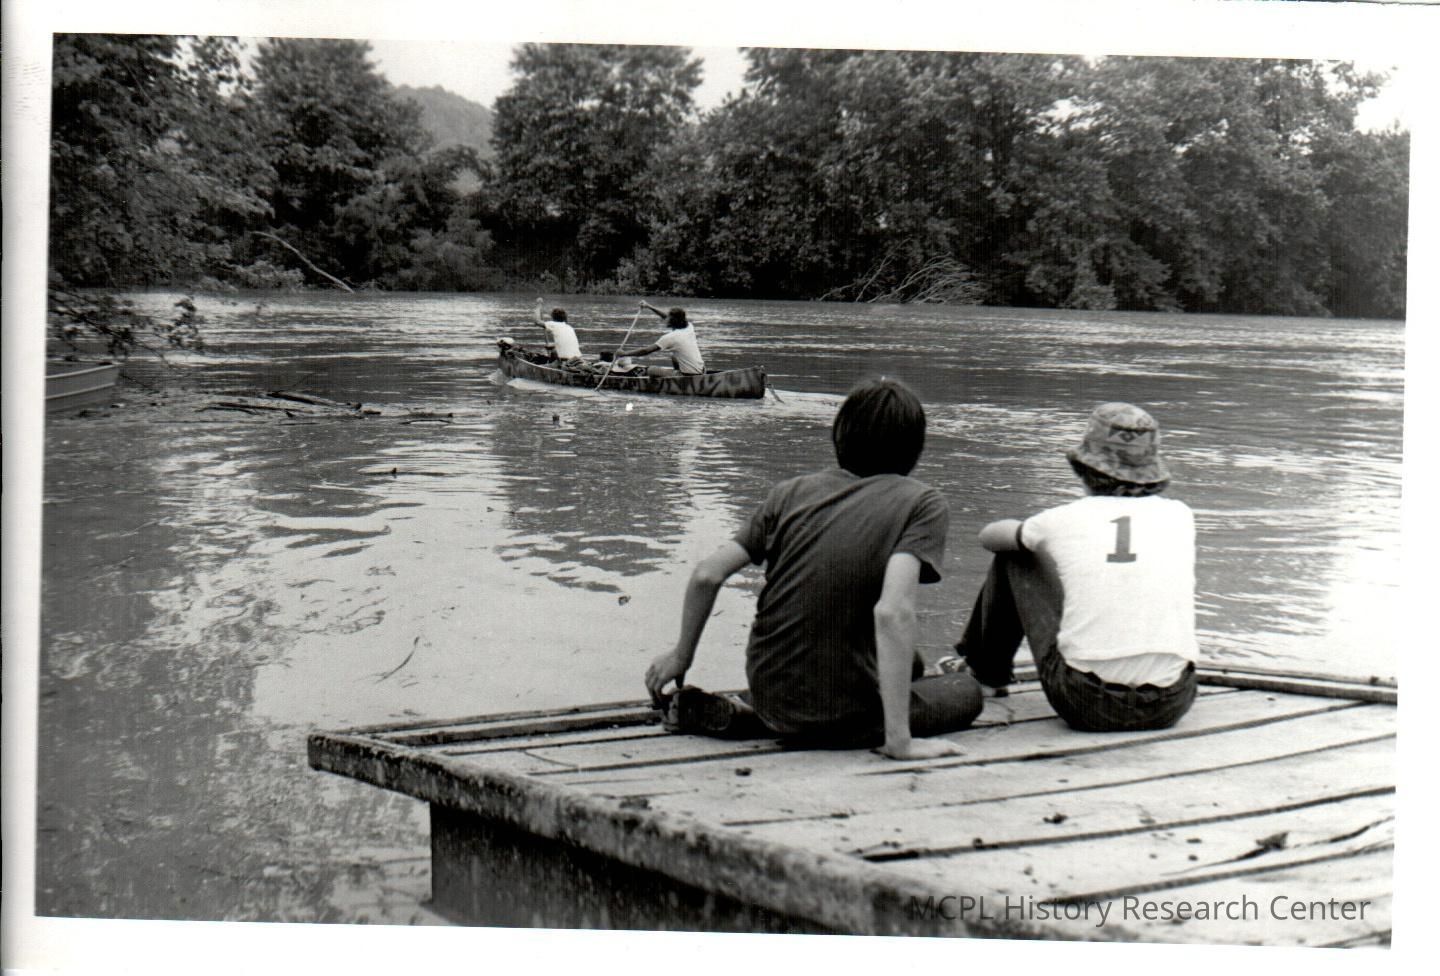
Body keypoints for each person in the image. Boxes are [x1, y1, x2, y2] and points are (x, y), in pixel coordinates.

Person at [644, 378, 984, 760]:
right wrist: (900, 743)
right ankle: (823, 725)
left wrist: (681, 656)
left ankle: (755, 713)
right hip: (842, 708)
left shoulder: (789, 492)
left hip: (772, 690)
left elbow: (707, 574)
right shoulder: (922, 503)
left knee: (912, 664)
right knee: (965, 691)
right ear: (914, 450)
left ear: (839, 435)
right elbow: (892, 613)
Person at [948, 402, 1199, 731]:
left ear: (1084, 468)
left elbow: (988, 537)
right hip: (1172, 701)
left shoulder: (1061, 520)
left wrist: (1028, 537)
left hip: (1086, 702)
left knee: (1014, 554)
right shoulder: (1180, 515)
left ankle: (987, 676)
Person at [612, 301, 704, 376]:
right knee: (674, 357)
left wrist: (624, 354)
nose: (666, 319)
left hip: (687, 375)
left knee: (651, 370)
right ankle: (677, 373)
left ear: (673, 321)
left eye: (669, 318)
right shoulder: (689, 326)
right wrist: (649, 306)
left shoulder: (671, 337)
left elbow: (646, 351)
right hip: (701, 370)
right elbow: (665, 316)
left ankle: (677, 376)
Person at [534, 297, 583, 364]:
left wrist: (538, 305)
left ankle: (551, 364)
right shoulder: (570, 328)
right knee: (554, 351)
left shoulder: (554, 324)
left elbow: (537, 321)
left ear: (553, 317)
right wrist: (553, 345)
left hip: (565, 360)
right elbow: (566, 342)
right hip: (578, 359)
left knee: (553, 352)